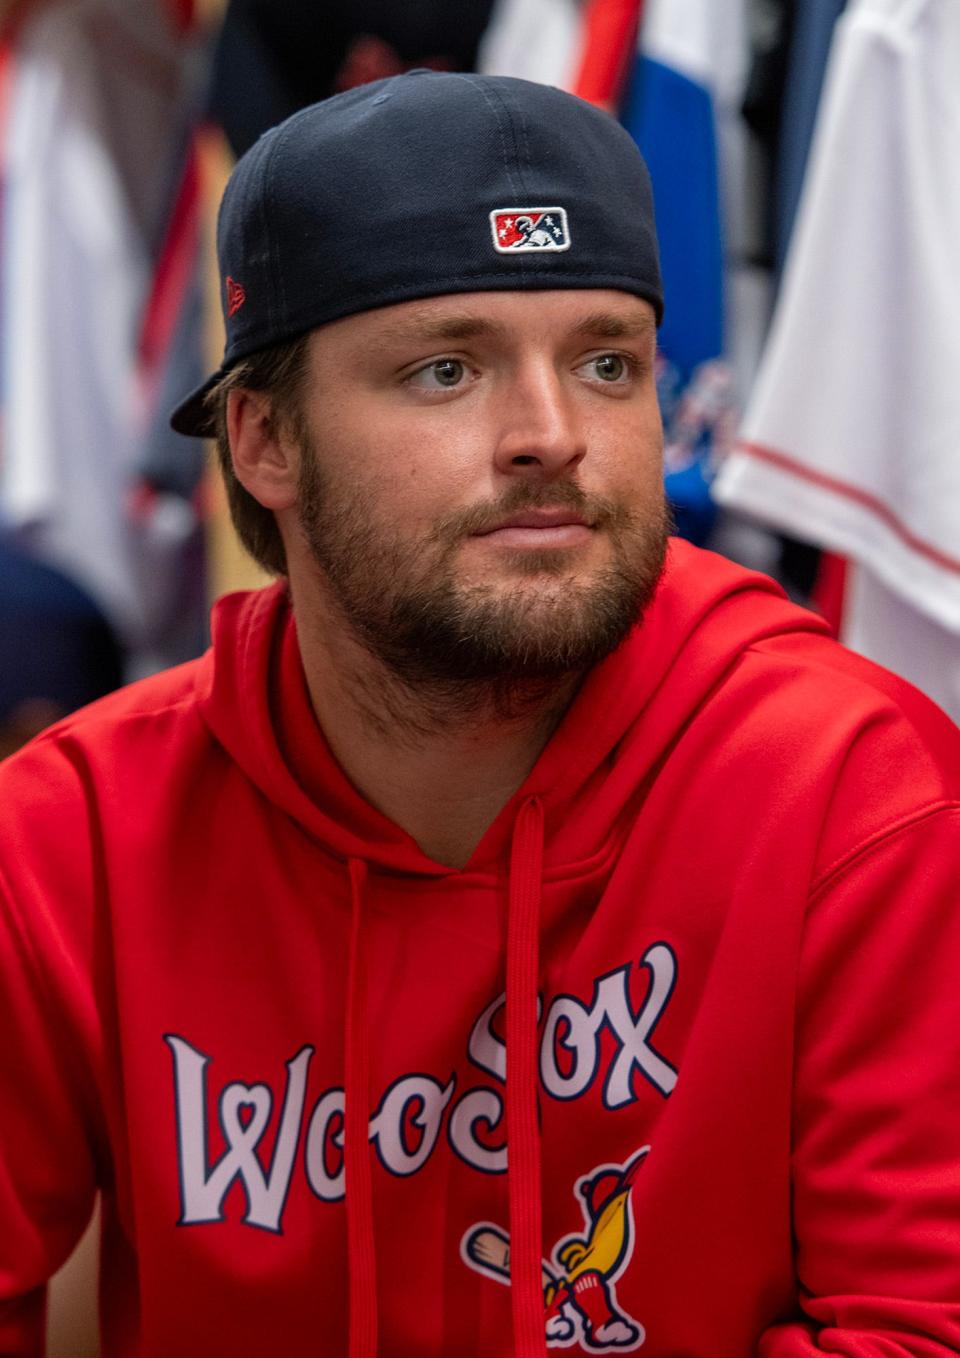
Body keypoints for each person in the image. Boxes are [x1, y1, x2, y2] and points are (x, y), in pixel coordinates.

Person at [1, 70, 958, 1358]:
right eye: (446, 368)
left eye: (607, 361)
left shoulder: (856, 792)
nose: (552, 434)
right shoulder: (71, 841)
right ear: (263, 441)